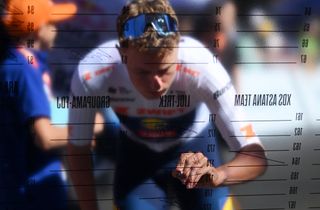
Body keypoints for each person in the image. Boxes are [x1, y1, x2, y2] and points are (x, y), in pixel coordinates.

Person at [67, 0, 267, 210]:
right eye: (143, 72)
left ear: (178, 48)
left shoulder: (202, 65)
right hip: (138, 157)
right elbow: (78, 147)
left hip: (195, 151)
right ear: (122, 53)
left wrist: (219, 174)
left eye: (164, 70)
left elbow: (255, 155)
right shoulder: (91, 72)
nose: (156, 83)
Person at [0, 0, 77, 209]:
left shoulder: (18, 62)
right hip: (35, 194)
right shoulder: (24, 69)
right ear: (38, 29)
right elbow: (45, 137)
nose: (56, 28)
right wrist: (89, 127)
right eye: (52, 22)